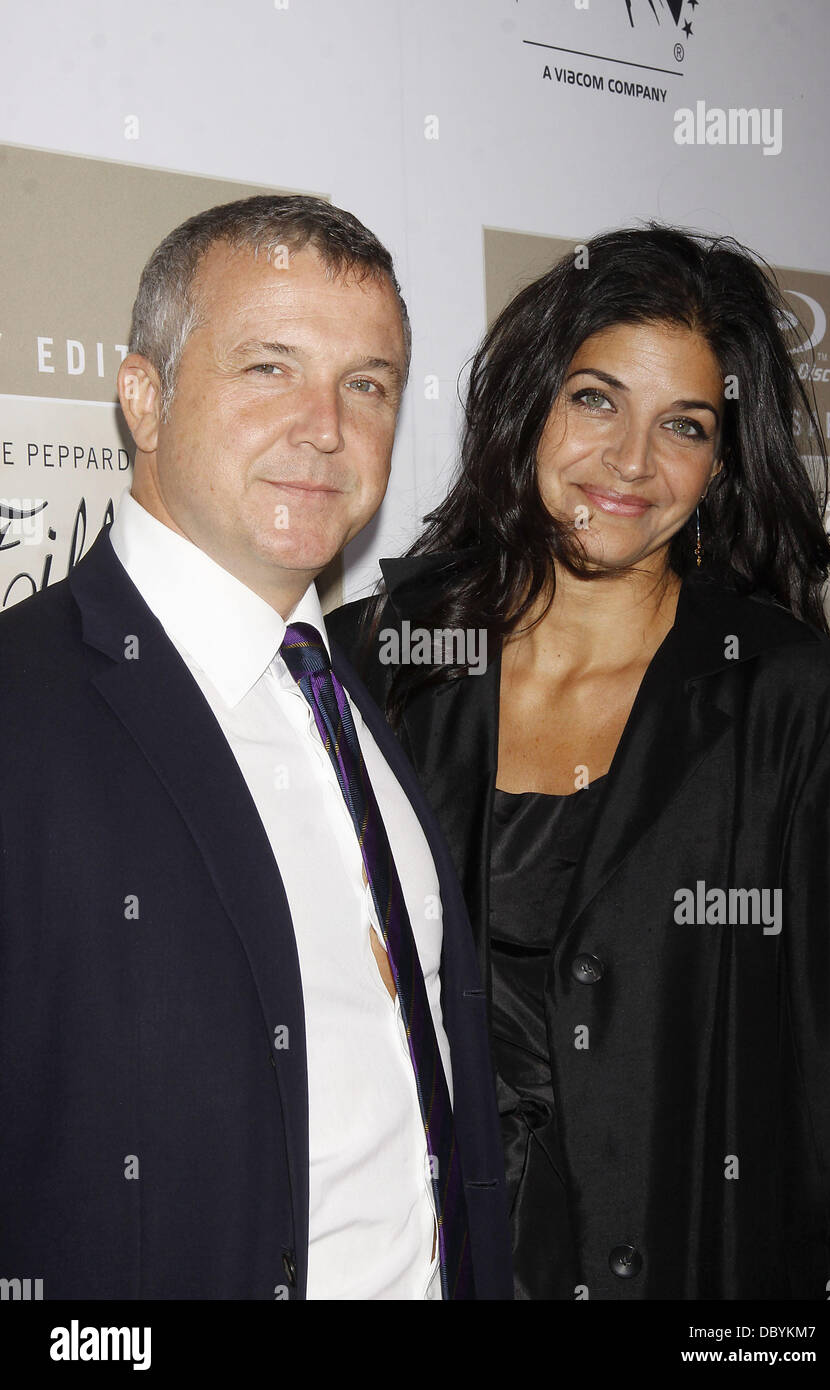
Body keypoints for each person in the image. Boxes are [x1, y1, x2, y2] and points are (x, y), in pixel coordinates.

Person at [328, 224, 830, 1300]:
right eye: (595, 398)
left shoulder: (790, 702)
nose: (630, 461)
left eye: (683, 425)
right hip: (421, 1264)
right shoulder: (377, 662)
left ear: (718, 463)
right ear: (529, 400)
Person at [0, 194, 512, 1300]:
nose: (325, 426)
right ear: (144, 397)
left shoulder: (364, 700)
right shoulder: (22, 708)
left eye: (366, 384)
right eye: (268, 368)